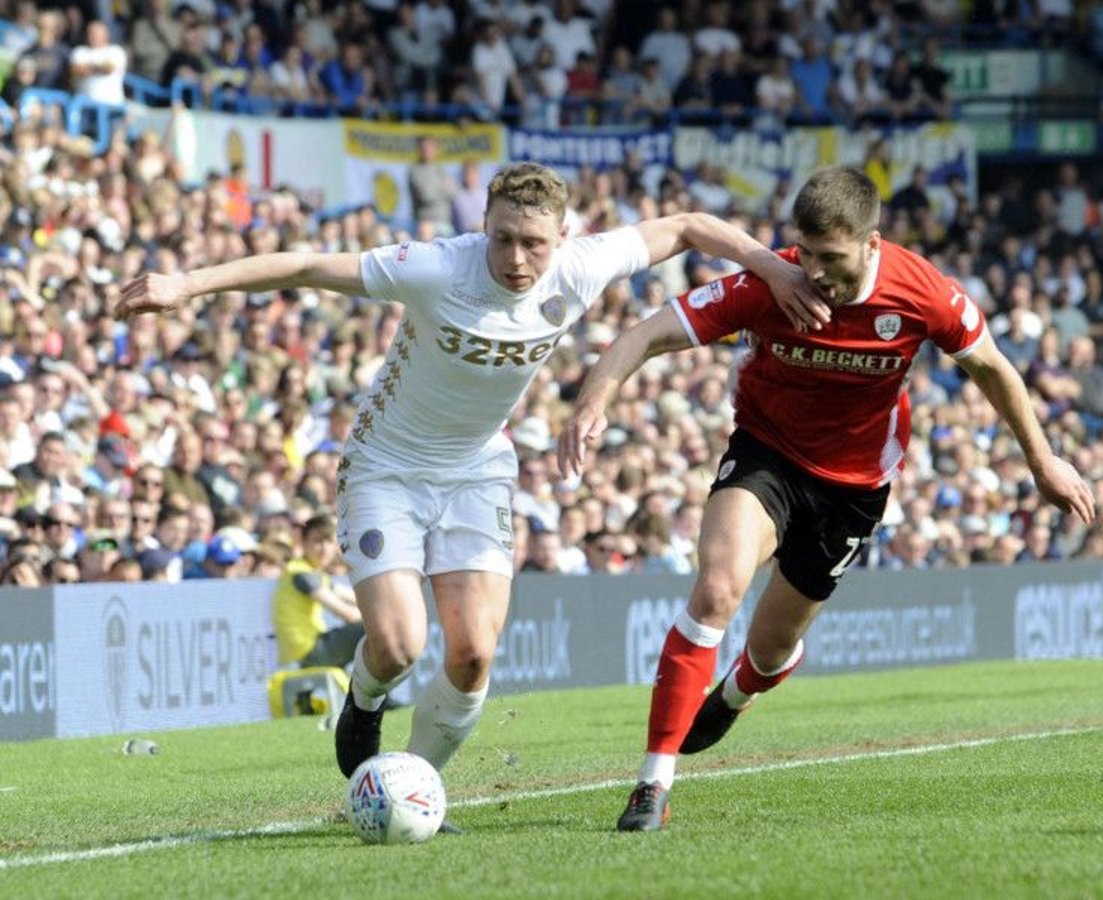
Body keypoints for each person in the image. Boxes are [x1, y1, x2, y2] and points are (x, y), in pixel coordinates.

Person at [116, 161, 821, 833]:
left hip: (477, 470)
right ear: (483, 226)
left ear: (562, 240)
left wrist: (774, 265)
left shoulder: (580, 267)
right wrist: (187, 284)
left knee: (474, 653)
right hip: (384, 467)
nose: (517, 258)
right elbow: (303, 266)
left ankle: (413, 787)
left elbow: (691, 224)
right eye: (504, 239)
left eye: (534, 244)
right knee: (396, 644)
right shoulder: (435, 267)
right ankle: (362, 703)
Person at [557, 166, 1096, 832]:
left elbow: (993, 368)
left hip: (854, 488)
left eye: (830, 258)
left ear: (871, 245)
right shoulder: (769, 283)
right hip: (766, 455)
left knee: (771, 649)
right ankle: (652, 784)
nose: (812, 272)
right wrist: (592, 403)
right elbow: (644, 334)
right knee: (717, 589)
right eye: (804, 254)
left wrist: (1041, 461)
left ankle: (737, 691)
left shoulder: (923, 292)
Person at [272, 513, 365, 669]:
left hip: (306, 649)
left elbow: (353, 596)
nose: (324, 549)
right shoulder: (301, 574)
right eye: (317, 541)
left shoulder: (309, 571)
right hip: (307, 651)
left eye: (329, 541)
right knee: (375, 630)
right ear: (303, 542)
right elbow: (348, 614)